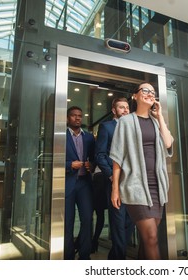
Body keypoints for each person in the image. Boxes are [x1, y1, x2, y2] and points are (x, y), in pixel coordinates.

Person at [110, 83, 173, 260]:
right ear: (135, 96)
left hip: (157, 187)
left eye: (153, 92)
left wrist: (160, 116)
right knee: (151, 237)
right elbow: (117, 157)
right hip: (135, 186)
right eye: (145, 90)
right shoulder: (126, 121)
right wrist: (115, 189)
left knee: (148, 241)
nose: (150, 94)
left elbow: (168, 143)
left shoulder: (156, 122)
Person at [95, 97, 135, 259]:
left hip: (133, 181)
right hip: (115, 181)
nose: (125, 110)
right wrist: (111, 175)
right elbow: (100, 155)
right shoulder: (106, 127)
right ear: (114, 110)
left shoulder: (133, 127)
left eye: (127, 107)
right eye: (121, 107)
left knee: (130, 221)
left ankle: (115, 257)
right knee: (118, 222)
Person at [65, 106, 95, 260]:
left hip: (84, 184)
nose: (77, 118)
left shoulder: (89, 137)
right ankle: (68, 256)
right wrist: (69, 165)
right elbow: (52, 160)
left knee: (87, 220)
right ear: (67, 118)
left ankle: (84, 255)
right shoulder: (60, 136)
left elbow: (96, 157)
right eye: (74, 115)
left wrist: (92, 165)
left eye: (80, 116)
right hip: (67, 183)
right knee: (68, 222)